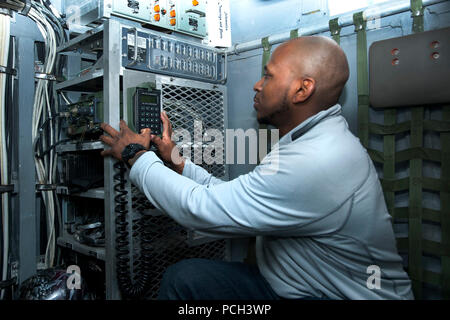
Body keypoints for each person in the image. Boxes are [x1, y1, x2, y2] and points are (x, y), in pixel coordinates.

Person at [100, 36, 413, 300]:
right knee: (185, 278)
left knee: (184, 281)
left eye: (269, 76)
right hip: (301, 285)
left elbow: (200, 210)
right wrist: (176, 161)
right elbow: (232, 197)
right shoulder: (309, 141)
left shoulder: (318, 160)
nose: (256, 84)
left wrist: (135, 155)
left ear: (302, 90)